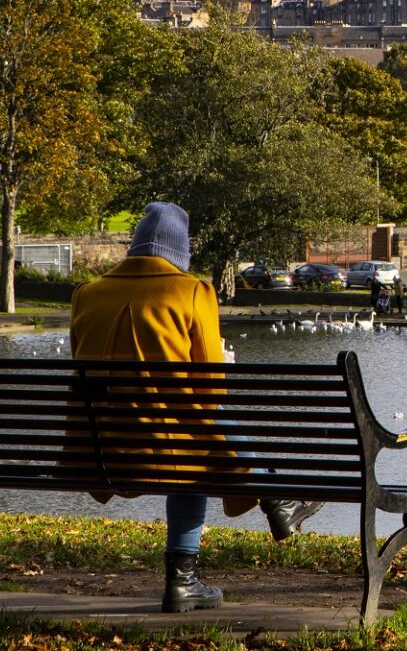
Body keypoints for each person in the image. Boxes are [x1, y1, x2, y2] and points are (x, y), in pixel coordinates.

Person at [70, 201, 322, 613]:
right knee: (200, 428)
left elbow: (80, 375)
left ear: (134, 246)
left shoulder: (87, 295)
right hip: (166, 453)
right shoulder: (191, 292)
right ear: (179, 252)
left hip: (100, 453)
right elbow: (211, 387)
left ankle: (276, 500)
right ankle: (197, 566)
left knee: (193, 426)